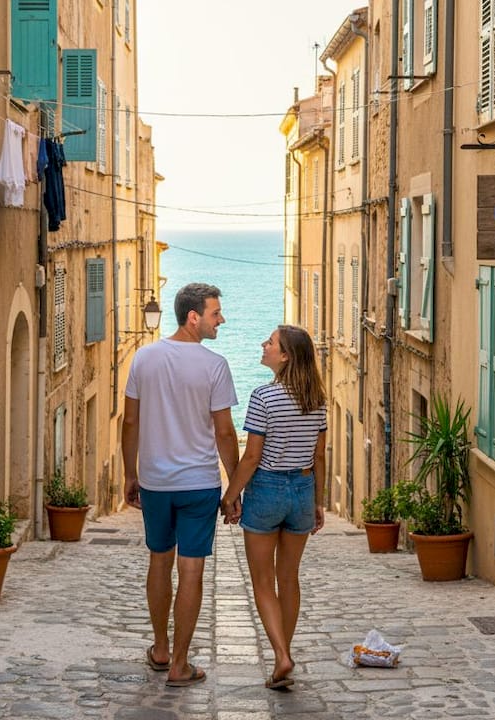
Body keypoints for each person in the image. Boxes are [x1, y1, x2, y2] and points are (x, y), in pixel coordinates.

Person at [121, 282, 239, 688]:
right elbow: (225, 433)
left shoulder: (144, 359)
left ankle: (160, 648)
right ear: (194, 317)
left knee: (159, 560)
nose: (220, 319)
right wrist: (235, 487)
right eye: (215, 313)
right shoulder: (215, 365)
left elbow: (131, 422)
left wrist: (129, 474)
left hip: (155, 481)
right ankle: (181, 664)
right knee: (192, 570)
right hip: (199, 484)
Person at [221, 325, 327, 690]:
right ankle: (286, 651)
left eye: (270, 343)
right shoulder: (317, 400)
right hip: (302, 488)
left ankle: (281, 655)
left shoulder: (264, 397)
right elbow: (318, 456)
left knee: (263, 580)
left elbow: (251, 457)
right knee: (289, 578)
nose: (263, 345)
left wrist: (231, 495)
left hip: (266, 488)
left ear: (285, 357)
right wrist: (318, 501)